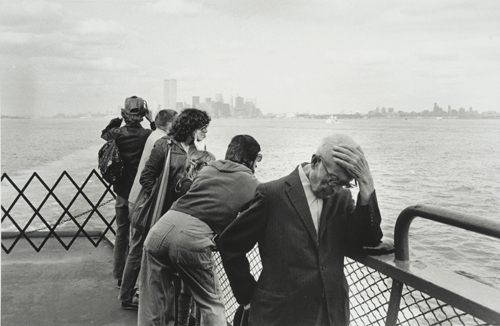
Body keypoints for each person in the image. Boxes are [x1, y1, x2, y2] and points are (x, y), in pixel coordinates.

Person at [219, 133, 383, 326]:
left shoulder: (343, 198)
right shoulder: (271, 195)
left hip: (330, 314)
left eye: (344, 184)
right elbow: (230, 244)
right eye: (332, 180)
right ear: (315, 161)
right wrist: (247, 296)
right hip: (280, 315)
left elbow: (368, 239)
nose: (335, 189)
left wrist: (367, 183)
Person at [138, 135, 262, 326]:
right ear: (251, 160)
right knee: (212, 304)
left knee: (152, 304)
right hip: (192, 237)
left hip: (160, 230)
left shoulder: (209, 169)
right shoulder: (252, 184)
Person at [123, 108, 210, 313]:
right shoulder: (165, 146)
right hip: (161, 216)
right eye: (203, 128)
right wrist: (164, 194)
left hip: (183, 220)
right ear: (191, 128)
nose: (206, 133)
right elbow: (146, 177)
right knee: (158, 275)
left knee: (176, 279)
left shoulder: (198, 152)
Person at [118, 109, 177, 310]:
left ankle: (127, 292)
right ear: (170, 125)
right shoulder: (162, 142)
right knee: (138, 249)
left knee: (136, 247)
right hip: (145, 201)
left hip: (136, 197)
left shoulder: (153, 135)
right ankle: (128, 296)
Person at [101, 95, 155, 290]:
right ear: (142, 115)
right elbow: (164, 138)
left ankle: (119, 274)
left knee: (121, 233)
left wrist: (118, 119)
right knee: (138, 236)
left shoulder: (118, 133)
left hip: (121, 192)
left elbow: (104, 133)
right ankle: (133, 279)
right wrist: (152, 119)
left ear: (125, 113)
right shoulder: (148, 135)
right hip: (139, 193)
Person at [174, 150, 216, 326]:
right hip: (191, 242)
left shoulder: (181, 183)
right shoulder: (192, 188)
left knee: (185, 289)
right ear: (203, 167)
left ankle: (182, 322)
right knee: (201, 291)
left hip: (179, 240)